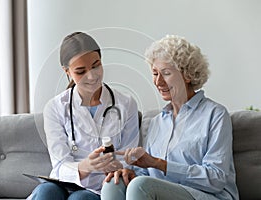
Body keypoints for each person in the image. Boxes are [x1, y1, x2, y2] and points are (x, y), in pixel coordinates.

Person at [101, 35, 239, 200]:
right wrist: (131, 172)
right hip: (159, 193)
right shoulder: (156, 122)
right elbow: (146, 173)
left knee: (141, 186)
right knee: (113, 183)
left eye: (166, 73)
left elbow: (215, 179)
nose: (158, 81)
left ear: (187, 75)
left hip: (207, 196)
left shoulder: (215, 115)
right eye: (154, 73)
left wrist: (158, 163)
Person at [27, 32, 139, 200]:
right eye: (80, 71)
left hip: (100, 188)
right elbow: (59, 163)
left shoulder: (126, 104)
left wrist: (112, 167)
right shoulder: (55, 108)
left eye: (96, 66)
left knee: (80, 199)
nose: (92, 76)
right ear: (67, 72)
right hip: (63, 183)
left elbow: (128, 159)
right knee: (45, 193)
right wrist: (85, 167)